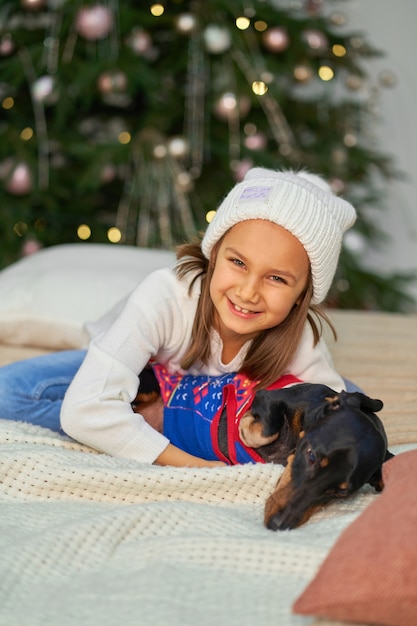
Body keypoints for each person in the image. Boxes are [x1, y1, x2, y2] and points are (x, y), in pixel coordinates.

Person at [0, 168, 357, 467]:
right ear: (213, 254)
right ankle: (153, 417)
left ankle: (183, 418)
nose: (248, 292)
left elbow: (339, 420)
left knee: (350, 402)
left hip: (203, 398)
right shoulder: (166, 297)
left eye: (277, 278)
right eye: (238, 262)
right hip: (141, 366)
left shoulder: (301, 339)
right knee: (8, 392)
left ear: (302, 296)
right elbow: (82, 411)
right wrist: (195, 463)